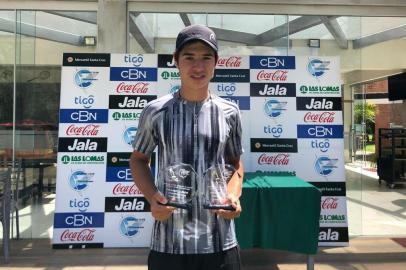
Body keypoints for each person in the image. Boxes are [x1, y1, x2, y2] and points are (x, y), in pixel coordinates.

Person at [130, 24, 244, 270]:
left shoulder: (230, 112)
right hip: (169, 243)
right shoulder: (155, 111)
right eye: (189, 57)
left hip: (220, 242)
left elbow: (235, 164)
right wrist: (152, 198)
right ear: (176, 61)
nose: (198, 67)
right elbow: (138, 159)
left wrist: (233, 195)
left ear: (216, 62)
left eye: (206, 58)